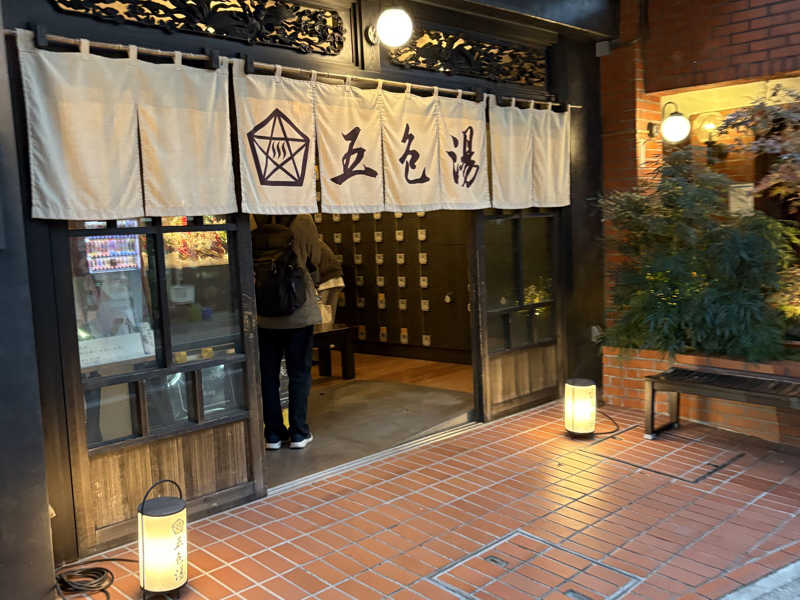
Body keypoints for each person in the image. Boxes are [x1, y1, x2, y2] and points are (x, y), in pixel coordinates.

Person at [253, 215, 322, 450]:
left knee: (268, 376)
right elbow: (316, 257)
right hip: (298, 312)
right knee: (299, 374)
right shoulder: (303, 220)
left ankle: (273, 434)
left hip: (264, 314)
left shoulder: (253, 218)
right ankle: (299, 432)